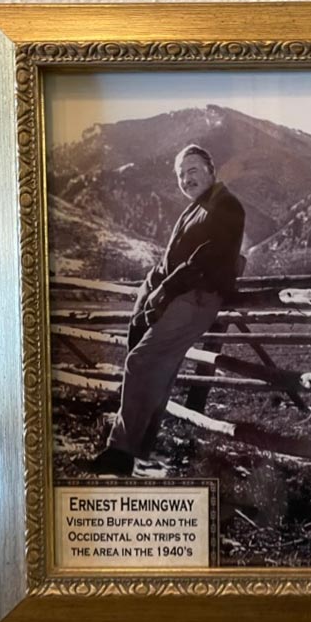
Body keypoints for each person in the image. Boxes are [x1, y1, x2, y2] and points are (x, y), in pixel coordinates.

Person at [92, 144, 245, 476]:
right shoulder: (196, 208)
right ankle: (139, 448)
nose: (186, 179)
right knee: (158, 370)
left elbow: (204, 258)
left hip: (197, 298)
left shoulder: (226, 205)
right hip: (181, 295)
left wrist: (164, 289)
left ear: (211, 169)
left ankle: (120, 451)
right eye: (180, 175)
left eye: (193, 171)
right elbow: (172, 259)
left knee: (142, 361)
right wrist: (153, 287)